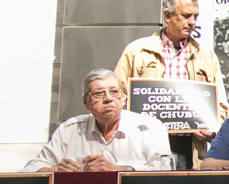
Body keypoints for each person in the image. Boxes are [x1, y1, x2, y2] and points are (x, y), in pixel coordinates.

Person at [114, 0, 228, 168]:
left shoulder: (206, 56)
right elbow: (116, 96)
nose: (192, 22)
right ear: (167, 16)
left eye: (195, 16)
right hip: (143, 146)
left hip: (188, 149)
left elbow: (221, 105)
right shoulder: (136, 51)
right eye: (186, 16)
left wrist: (212, 128)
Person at [22, 69, 170, 172]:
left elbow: (165, 170)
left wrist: (118, 170)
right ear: (85, 102)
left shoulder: (149, 127)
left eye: (114, 92)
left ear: (123, 98)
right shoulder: (70, 130)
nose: (108, 99)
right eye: (99, 93)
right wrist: (57, 170)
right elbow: (30, 169)